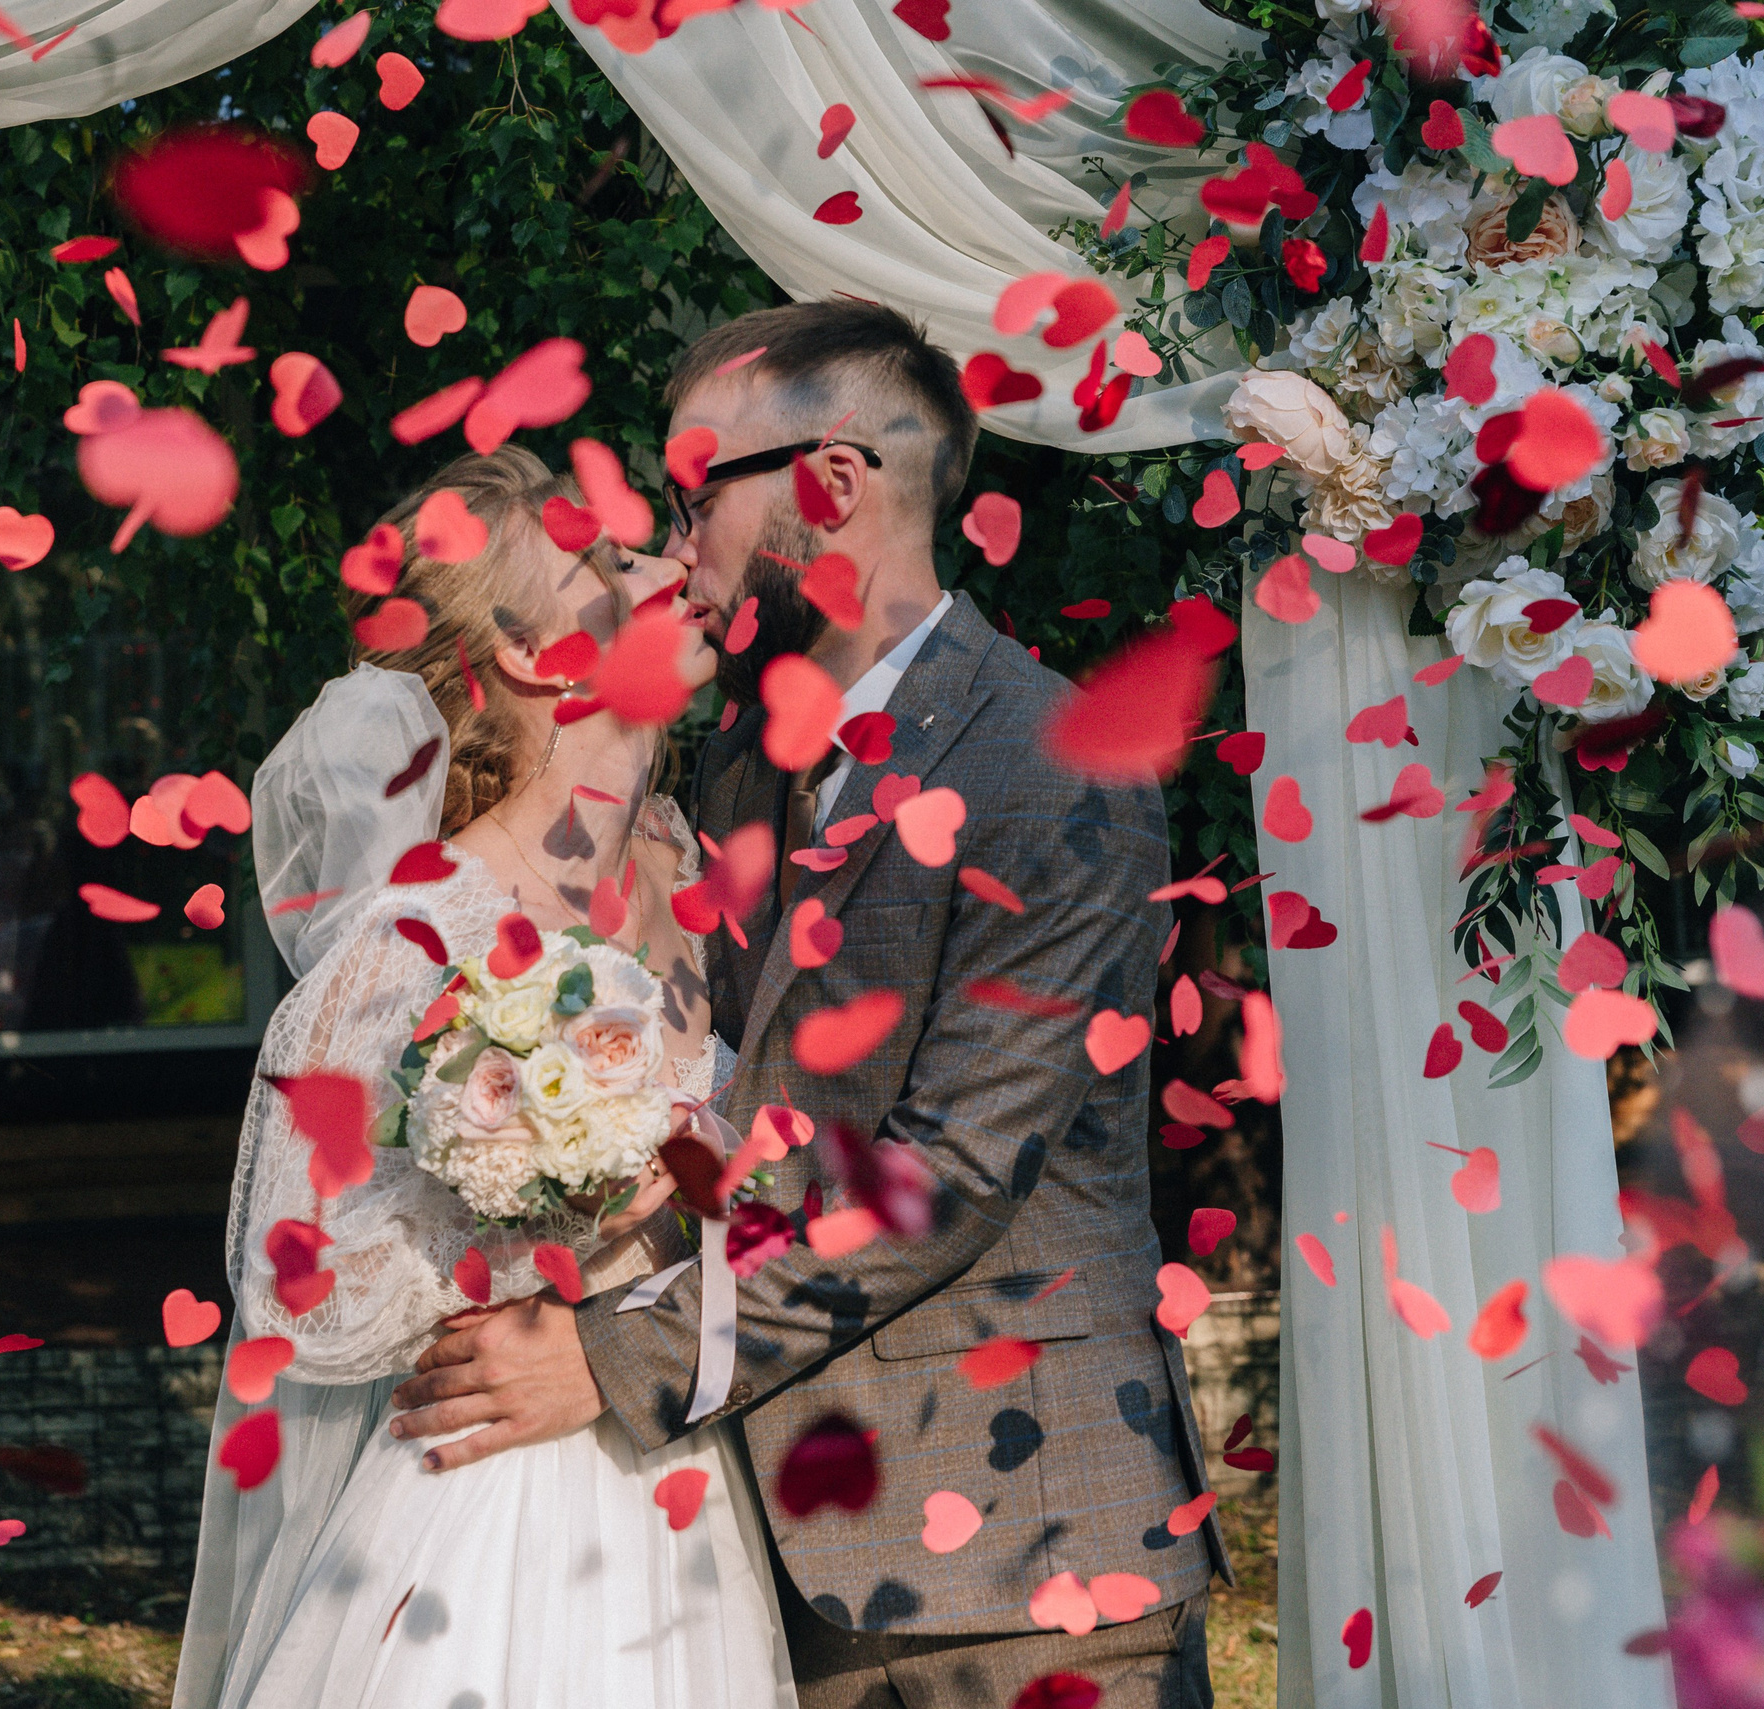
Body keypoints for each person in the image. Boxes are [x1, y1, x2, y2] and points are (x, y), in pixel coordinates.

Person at [384, 301, 1228, 1708]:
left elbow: (950, 1170)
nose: (673, 540)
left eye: (695, 490)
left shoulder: (1056, 763)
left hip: (1029, 1567)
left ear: (828, 489)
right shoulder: (732, 778)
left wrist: (612, 1358)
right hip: (782, 1552)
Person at [170, 445, 798, 1709]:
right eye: (612, 561)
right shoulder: (420, 928)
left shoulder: (711, 860)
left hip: (690, 1472)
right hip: (496, 1499)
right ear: (531, 652)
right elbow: (308, 1288)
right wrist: (556, 1205)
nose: (676, 565)